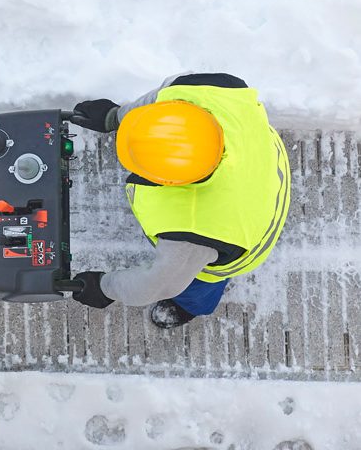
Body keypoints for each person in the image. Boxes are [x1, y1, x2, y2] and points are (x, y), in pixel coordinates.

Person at [68, 72, 290, 328]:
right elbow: (161, 97)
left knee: (203, 276)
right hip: (261, 156)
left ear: (174, 183)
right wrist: (116, 116)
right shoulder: (211, 88)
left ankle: (192, 305)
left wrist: (104, 287)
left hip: (248, 227)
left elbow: (156, 285)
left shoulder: (198, 233)